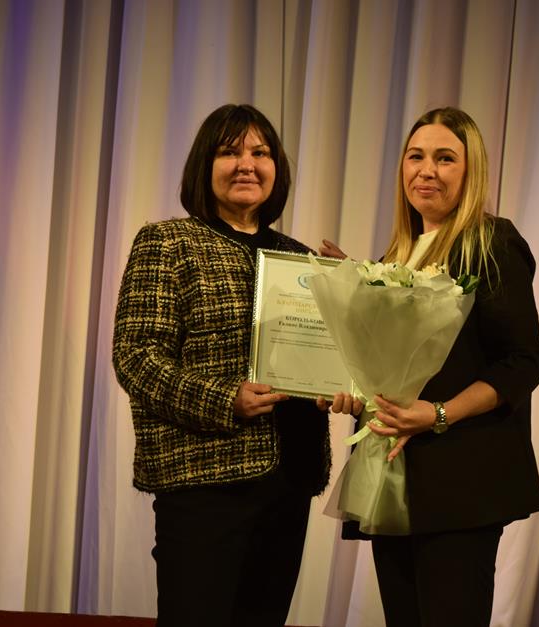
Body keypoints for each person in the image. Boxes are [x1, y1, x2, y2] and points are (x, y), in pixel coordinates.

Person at [320, 107, 539, 627]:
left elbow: (523, 361)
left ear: (470, 171)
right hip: (395, 478)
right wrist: (352, 388)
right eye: (415, 156)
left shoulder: (492, 242)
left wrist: (439, 414)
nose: (427, 170)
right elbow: (390, 370)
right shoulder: (397, 255)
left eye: (445, 158)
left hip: (461, 482)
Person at [112, 104, 331, 627]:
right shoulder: (168, 243)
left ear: (276, 168)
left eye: (260, 152)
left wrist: (346, 328)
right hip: (205, 483)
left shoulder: (301, 258)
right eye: (229, 152)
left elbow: (322, 359)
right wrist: (224, 398)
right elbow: (136, 357)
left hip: (290, 477)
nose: (246, 164)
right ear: (204, 166)